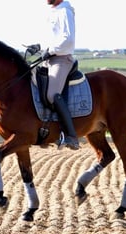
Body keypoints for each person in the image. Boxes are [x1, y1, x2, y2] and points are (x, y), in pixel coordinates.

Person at [37, 0, 79, 150]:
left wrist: (51, 50)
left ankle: (71, 136)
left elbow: (68, 40)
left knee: (52, 94)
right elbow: (50, 38)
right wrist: (40, 47)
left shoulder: (64, 11)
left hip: (61, 59)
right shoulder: (51, 12)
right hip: (48, 59)